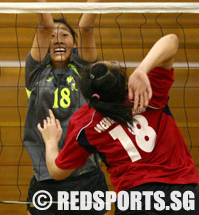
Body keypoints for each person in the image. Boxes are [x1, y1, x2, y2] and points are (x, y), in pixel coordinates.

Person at [0, 0, 132, 215]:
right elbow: (45, 24)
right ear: (45, 44)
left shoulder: (84, 70)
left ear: (73, 44)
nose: (58, 39)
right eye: (54, 37)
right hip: (45, 179)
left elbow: (86, 26)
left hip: (86, 178)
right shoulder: (36, 71)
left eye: (65, 35)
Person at [37, 34, 199, 215]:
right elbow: (172, 40)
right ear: (121, 81)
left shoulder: (85, 123)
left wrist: (51, 141)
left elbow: (58, 171)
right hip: (182, 194)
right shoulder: (147, 91)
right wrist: (142, 70)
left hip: (135, 201)